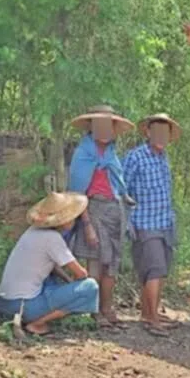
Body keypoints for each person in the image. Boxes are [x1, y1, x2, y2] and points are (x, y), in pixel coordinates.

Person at [0, 192, 99, 336]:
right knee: (90, 286)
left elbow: (52, 266)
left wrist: (67, 280)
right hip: (24, 305)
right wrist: (76, 281)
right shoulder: (52, 238)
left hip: (4, 303)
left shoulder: (32, 231)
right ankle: (37, 323)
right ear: (65, 220)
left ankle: (31, 318)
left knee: (52, 281)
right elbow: (81, 274)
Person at [68, 104, 134, 326]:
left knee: (112, 263)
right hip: (93, 209)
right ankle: (93, 310)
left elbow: (119, 185)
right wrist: (86, 223)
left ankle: (107, 307)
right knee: (95, 262)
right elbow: (77, 193)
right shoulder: (82, 155)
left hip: (115, 210)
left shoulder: (112, 155)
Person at [122, 113, 181, 337]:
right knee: (153, 269)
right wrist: (127, 220)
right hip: (144, 222)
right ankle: (152, 320)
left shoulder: (164, 158)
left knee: (160, 270)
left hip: (165, 221)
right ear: (148, 132)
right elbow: (121, 188)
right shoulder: (135, 157)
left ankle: (149, 313)